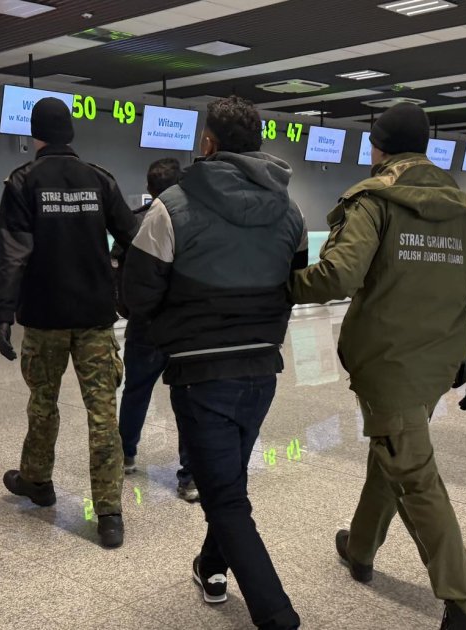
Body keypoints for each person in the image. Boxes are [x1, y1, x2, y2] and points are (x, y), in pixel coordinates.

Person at [288, 103, 466, 630]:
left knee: (412, 471)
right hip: (439, 363)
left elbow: (339, 276)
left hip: (387, 364)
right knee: (394, 449)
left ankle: (464, 602)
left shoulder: (373, 199)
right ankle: (361, 548)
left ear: (377, 146)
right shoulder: (462, 207)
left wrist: (280, 284)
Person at [123, 95, 305, 630]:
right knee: (229, 480)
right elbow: (293, 284)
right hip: (260, 369)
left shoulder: (171, 206)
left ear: (208, 143)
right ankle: (210, 565)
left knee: (226, 498)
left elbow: (138, 293)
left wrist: (167, 331)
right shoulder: (291, 211)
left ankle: (277, 614)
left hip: (201, 372)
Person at [0, 97, 137, 549]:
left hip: (45, 318)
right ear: (70, 133)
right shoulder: (100, 179)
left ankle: (38, 481)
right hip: (95, 317)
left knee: (43, 403)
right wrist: (115, 273)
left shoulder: (23, 182)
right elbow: (135, 236)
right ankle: (109, 513)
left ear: (34, 135)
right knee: (102, 414)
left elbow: (14, 254)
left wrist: (2, 314)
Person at [111, 157, 198, 503]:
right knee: (188, 399)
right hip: (183, 325)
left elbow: (116, 263)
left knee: (136, 391)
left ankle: (126, 455)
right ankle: (189, 478)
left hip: (145, 323)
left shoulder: (134, 221)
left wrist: (126, 307)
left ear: (149, 189)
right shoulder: (193, 219)